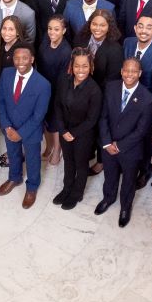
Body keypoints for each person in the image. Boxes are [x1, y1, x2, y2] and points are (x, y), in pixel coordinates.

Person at [96, 58, 152, 226]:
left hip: (130, 149)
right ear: (122, 71)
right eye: (127, 70)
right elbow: (103, 117)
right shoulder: (110, 87)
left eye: (134, 71)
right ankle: (108, 198)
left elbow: (142, 130)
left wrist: (120, 145)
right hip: (108, 146)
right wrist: (107, 143)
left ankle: (125, 208)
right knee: (110, 175)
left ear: (140, 74)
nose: (130, 74)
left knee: (129, 181)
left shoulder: (147, 98)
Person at [0, 43, 51, 209]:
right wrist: (6, 126)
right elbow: (2, 102)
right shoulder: (6, 74)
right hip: (9, 127)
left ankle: (32, 187)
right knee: (13, 154)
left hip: (30, 131)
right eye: (17, 58)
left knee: (33, 159)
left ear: (32, 59)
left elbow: (38, 116)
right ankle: (15, 177)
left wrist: (21, 133)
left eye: (25, 58)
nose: (20, 61)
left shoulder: (43, 84)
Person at [52, 47, 102, 210]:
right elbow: (57, 105)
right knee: (68, 162)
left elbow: (91, 120)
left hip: (83, 135)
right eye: (77, 66)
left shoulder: (94, 90)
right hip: (65, 131)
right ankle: (67, 188)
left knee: (81, 165)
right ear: (72, 66)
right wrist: (63, 130)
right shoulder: (64, 81)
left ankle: (76, 193)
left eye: (85, 66)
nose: (80, 70)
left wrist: (72, 133)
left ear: (91, 67)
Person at [36, 14, 73, 168]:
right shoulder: (45, 40)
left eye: (56, 29)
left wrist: (56, 97)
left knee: (55, 121)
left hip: (57, 90)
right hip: (42, 86)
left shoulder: (66, 51)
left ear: (64, 31)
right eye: (50, 28)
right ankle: (49, 146)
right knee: (43, 119)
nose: (52, 32)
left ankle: (57, 149)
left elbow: (64, 78)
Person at [123, 15, 152, 104]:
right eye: (140, 27)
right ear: (135, 28)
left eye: (148, 28)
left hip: (142, 102)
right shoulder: (127, 43)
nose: (143, 31)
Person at [74, 9, 123, 87]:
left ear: (109, 27)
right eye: (94, 24)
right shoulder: (80, 39)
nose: (97, 28)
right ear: (90, 24)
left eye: (102, 25)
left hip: (99, 91)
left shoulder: (116, 50)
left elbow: (111, 81)